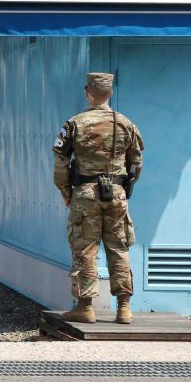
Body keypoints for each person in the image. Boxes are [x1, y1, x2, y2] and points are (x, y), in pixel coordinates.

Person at [52, 72, 143, 325]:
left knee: (85, 249)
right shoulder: (126, 123)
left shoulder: (74, 124)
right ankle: (124, 307)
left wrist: (66, 192)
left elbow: (61, 163)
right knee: (119, 248)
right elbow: (136, 164)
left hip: (85, 194)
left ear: (87, 92)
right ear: (110, 93)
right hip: (116, 194)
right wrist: (125, 188)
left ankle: (85, 307)